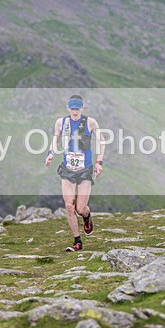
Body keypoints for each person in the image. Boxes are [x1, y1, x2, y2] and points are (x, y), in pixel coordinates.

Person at [44, 94, 104, 251]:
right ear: (68, 108)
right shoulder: (61, 123)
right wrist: (50, 153)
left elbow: (102, 140)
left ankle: (87, 217)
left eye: (77, 108)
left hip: (84, 171)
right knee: (69, 206)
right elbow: (55, 139)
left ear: (82, 108)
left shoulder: (90, 122)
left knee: (80, 208)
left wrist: (99, 162)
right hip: (68, 170)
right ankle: (77, 241)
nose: (75, 111)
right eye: (72, 108)